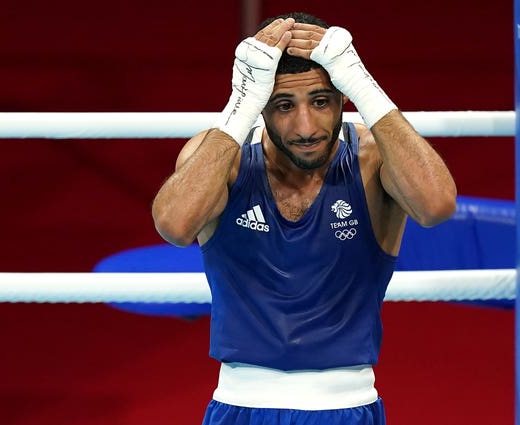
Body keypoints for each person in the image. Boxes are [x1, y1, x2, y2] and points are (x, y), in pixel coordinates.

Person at [152, 11, 457, 425]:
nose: (306, 126)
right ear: (261, 105)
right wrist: (240, 105)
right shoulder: (225, 158)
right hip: (239, 406)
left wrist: (362, 83)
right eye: (283, 105)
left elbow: (437, 206)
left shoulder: (370, 159)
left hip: (346, 407)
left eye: (320, 101)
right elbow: (174, 225)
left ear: (341, 99)